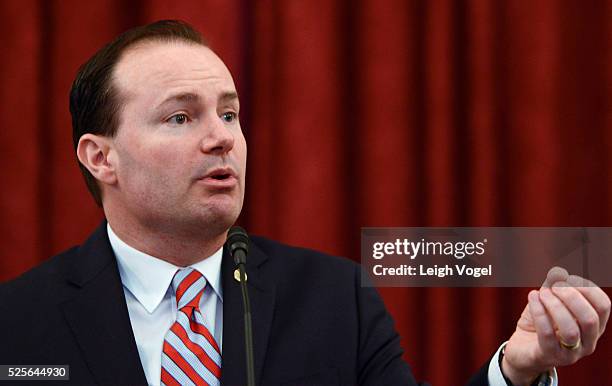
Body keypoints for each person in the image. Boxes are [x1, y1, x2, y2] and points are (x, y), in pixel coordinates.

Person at [0, 20, 609, 386]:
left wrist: (518, 369)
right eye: (181, 116)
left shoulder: (333, 298)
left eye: (231, 114)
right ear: (99, 157)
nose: (222, 137)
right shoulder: (18, 324)